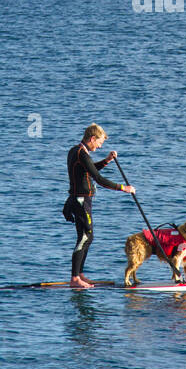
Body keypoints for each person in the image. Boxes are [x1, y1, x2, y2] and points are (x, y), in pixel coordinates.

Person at [64, 123, 135, 288]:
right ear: (92, 138)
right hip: (80, 201)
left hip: (79, 200)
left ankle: (80, 274)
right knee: (84, 237)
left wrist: (107, 161)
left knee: (87, 237)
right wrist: (123, 188)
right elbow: (98, 179)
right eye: (100, 142)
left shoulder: (76, 151)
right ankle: (75, 279)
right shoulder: (82, 154)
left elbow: (89, 170)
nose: (101, 145)